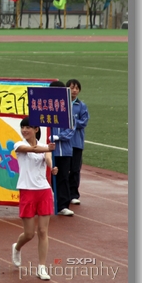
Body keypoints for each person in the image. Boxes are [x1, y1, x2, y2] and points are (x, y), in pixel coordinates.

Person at [12, 116, 58, 281]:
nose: (24, 130)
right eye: (23, 127)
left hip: (43, 190)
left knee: (43, 231)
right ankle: (17, 247)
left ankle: (42, 267)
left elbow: (47, 159)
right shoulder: (19, 145)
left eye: (28, 127)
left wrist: (52, 167)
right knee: (29, 233)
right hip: (27, 190)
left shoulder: (46, 148)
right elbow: (31, 150)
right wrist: (46, 148)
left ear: (36, 129)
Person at [66, 79, 89, 207]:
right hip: (64, 142)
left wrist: (71, 121)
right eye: (72, 88)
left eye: (77, 88)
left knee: (75, 169)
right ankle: (63, 193)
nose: (74, 90)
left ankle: (73, 194)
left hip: (76, 142)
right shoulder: (61, 104)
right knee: (63, 169)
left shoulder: (81, 106)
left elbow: (84, 122)